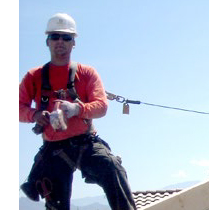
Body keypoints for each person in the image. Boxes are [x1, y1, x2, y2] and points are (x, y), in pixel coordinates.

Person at [19, 13, 137, 210]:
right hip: (54, 148)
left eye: (66, 38)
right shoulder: (34, 77)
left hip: (86, 142)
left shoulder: (86, 73)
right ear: (47, 41)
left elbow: (101, 106)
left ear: (73, 43)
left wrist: (77, 109)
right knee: (56, 203)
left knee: (112, 168)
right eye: (55, 37)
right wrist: (35, 115)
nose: (60, 42)